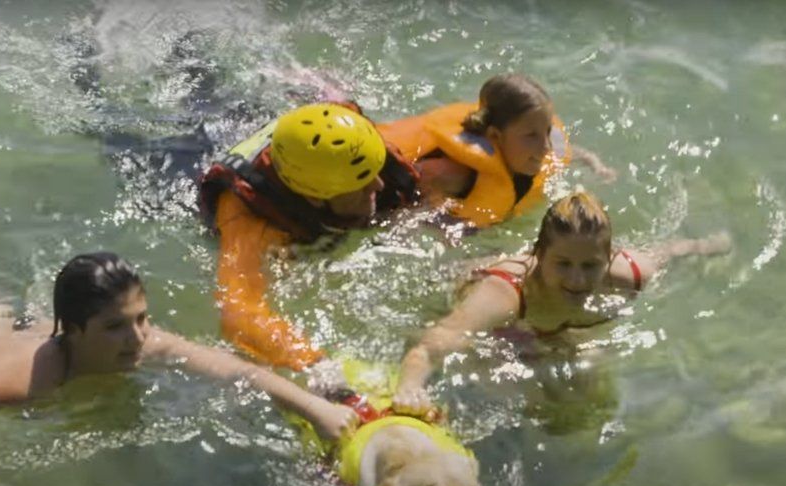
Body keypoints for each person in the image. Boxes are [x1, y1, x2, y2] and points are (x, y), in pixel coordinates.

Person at [0, 252, 357, 439]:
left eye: (141, 319)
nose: (137, 337)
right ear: (72, 330)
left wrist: (319, 409)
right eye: (117, 328)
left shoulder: (148, 343)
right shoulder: (32, 380)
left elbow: (241, 372)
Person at [392, 191, 731, 415]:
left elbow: (671, 252)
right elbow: (432, 344)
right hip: (497, 320)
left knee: (588, 385)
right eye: (563, 264)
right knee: (529, 398)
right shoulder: (505, 293)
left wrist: (710, 245)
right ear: (539, 255)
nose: (578, 280)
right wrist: (409, 387)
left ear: (609, 257)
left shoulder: (631, 274)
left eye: (590, 265)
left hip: (550, 326)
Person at [198, 102, 420, 376]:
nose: (379, 185)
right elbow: (239, 313)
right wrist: (318, 367)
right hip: (190, 154)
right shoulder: (250, 222)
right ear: (314, 196)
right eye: (359, 185)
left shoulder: (349, 143)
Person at [378, 73, 617, 228]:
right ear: (495, 136)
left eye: (546, 131)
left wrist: (594, 163)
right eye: (531, 136)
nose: (545, 146)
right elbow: (404, 188)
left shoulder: (536, 146)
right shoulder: (455, 173)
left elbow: (564, 149)